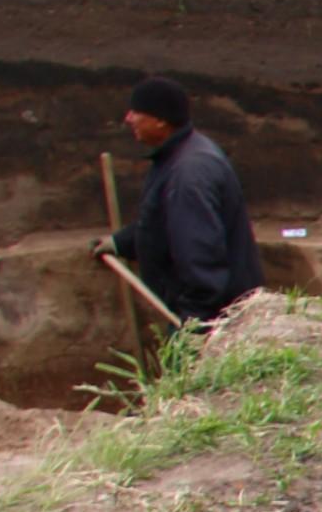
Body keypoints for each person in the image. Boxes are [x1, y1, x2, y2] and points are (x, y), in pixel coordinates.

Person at [105, 78, 262, 327]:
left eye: (136, 112)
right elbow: (161, 223)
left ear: (160, 120)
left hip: (213, 319)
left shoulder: (189, 172)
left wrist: (193, 324)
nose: (128, 118)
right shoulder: (179, 157)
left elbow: (200, 251)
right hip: (203, 310)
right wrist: (119, 243)